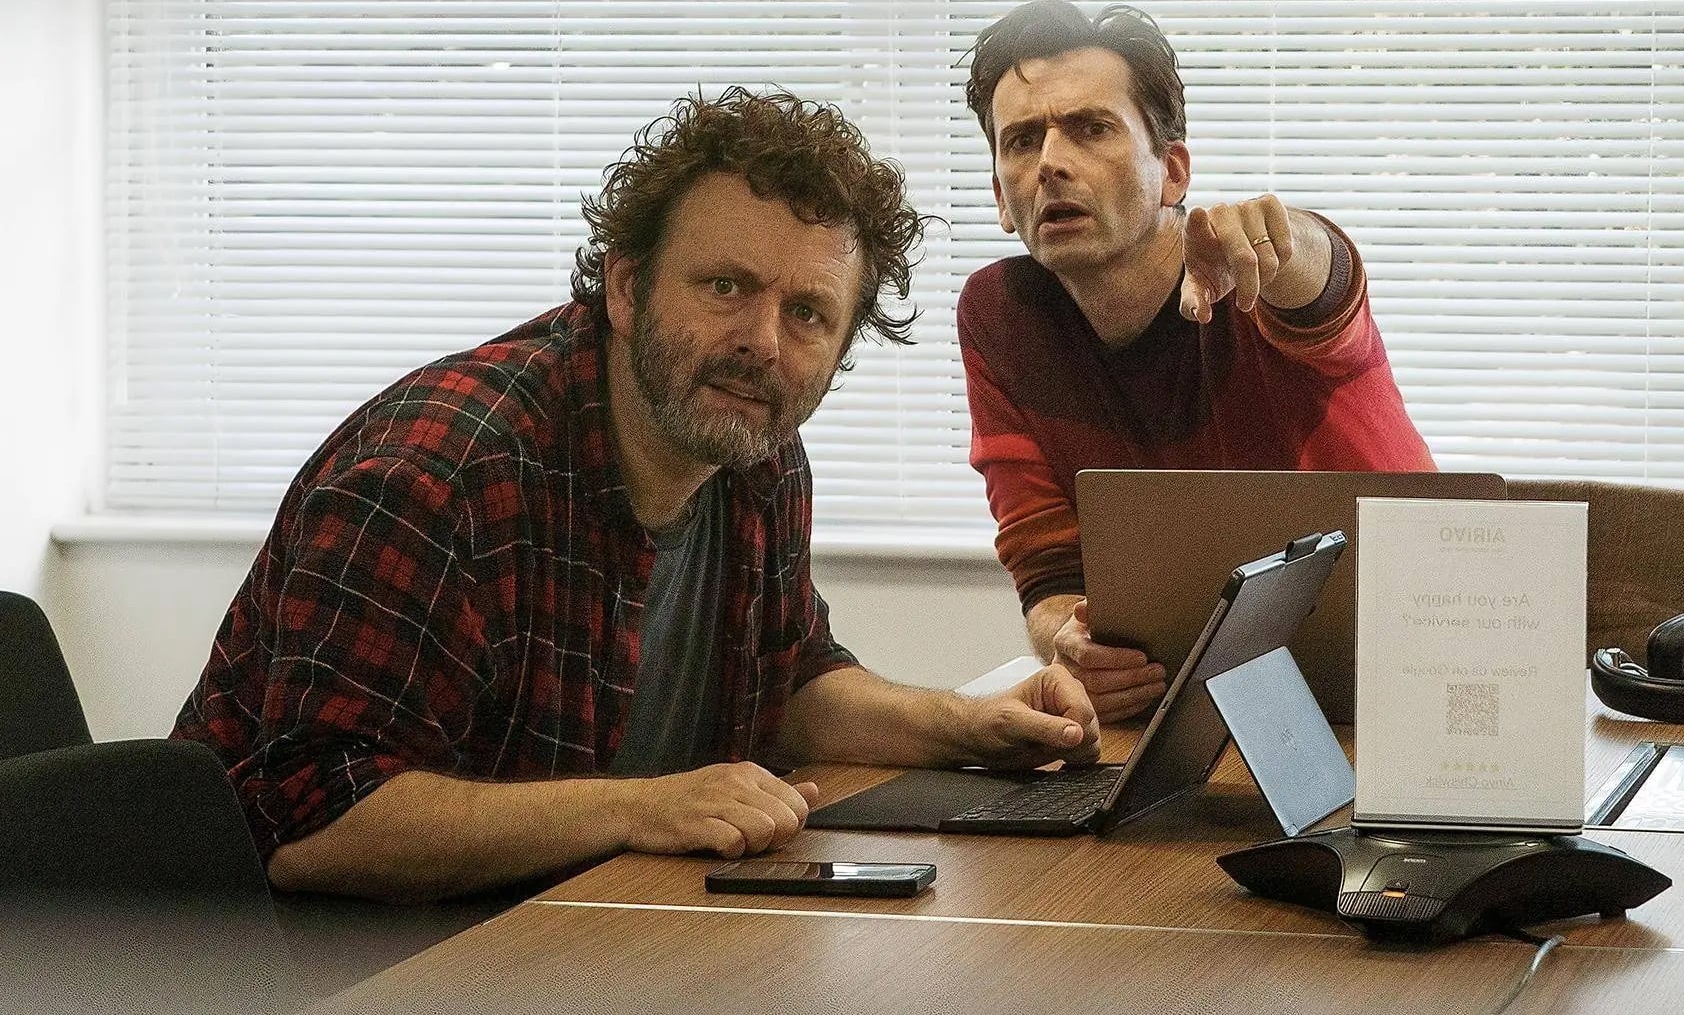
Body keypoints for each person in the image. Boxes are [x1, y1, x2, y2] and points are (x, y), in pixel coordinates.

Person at [173, 88, 1099, 905]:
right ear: (625, 287)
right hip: (312, 958)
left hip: (580, 921)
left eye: (807, 313)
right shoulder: (438, 478)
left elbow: (783, 682)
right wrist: (642, 808)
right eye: (725, 286)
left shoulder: (755, 449)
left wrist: (970, 725)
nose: (763, 342)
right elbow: (313, 827)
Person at [958, 1, 1435, 722]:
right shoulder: (1001, 315)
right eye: (1022, 141)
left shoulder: (1246, 274)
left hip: (1413, 667)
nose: (1050, 162)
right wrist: (1072, 641)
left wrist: (1279, 243)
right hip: (1200, 708)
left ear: (1173, 172)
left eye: (1091, 128)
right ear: (1000, 197)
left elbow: (1326, 281)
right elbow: (1048, 569)